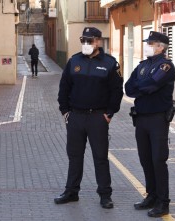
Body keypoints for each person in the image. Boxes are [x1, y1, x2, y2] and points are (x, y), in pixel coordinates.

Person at [55, 27, 123, 209]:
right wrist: (65, 111)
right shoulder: (74, 61)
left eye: (90, 40)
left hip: (97, 118)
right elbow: (64, 88)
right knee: (74, 156)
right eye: (83, 40)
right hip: (76, 117)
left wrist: (109, 113)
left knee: (100, 157)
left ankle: (105, 195)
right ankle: (71, 192)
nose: (86, 44)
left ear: (99, 42)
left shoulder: (110, 63)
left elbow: (117, 91)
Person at [125, 31, 175, 217]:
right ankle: (151, 196)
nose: (147, 45)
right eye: (147, 42)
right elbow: (128, 88)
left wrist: (142, 86)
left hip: (157, 119)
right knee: (145, 159)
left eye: (151, 43)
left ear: (161, 47)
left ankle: (163, 202)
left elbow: (150, 86)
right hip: (141, 118)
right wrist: (142, 86)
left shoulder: (166, 67)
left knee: (158, 160)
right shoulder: (143, 65)